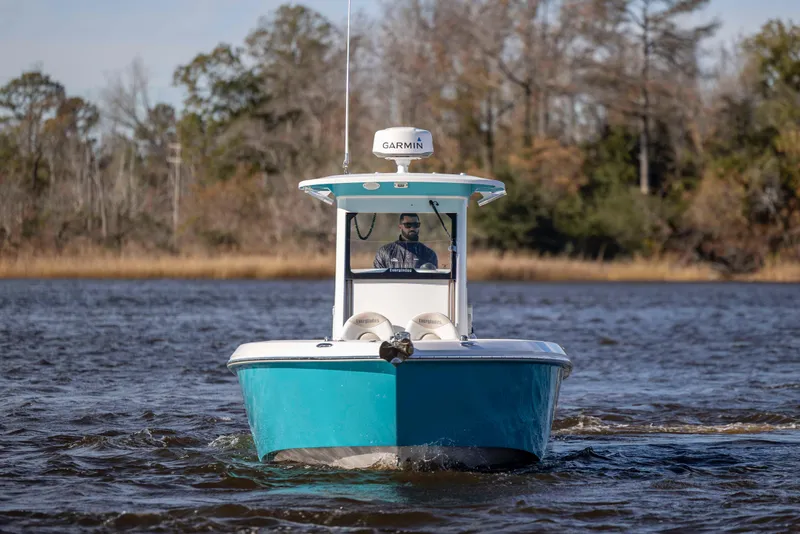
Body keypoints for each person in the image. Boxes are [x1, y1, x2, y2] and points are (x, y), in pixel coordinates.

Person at [374, 213, 438, 270]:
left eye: (416, 225)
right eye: (408, 225)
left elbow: (432, 279)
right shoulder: (384, 252)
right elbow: (377, 279)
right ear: (400, 227)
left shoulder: (429, 254)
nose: (412, 228)